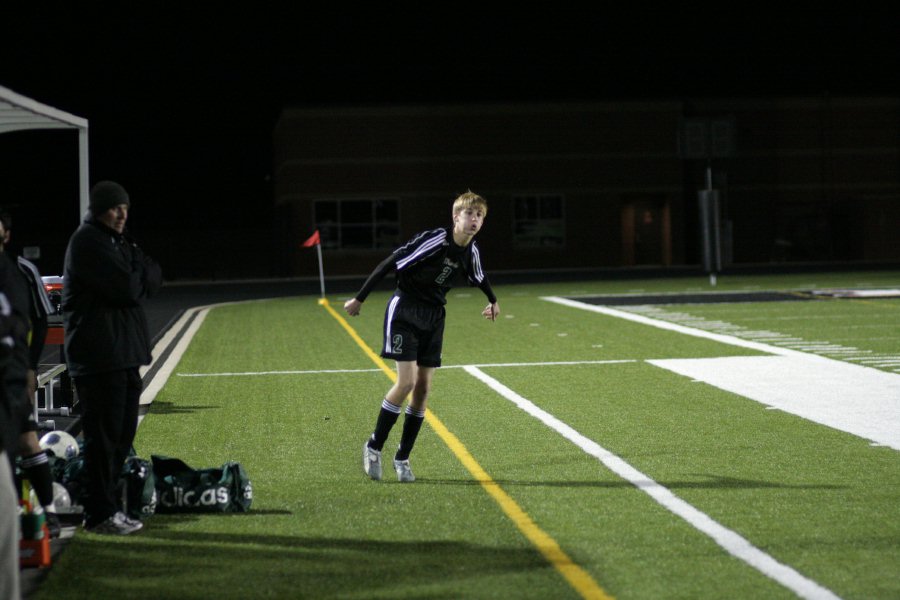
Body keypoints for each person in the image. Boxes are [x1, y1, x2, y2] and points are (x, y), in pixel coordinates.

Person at [344, 190, 500, 482]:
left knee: (423, 389)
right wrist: (359, 299)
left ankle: (402, 457)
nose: (474, 219)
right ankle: (374, 446)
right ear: (456, 217)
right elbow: (392, 262)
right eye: (469, 214)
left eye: (479, 215)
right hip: (405, 310)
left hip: (434, 317)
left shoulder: (472, 250)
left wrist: (492, 300)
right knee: (406, 382)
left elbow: (479, 276)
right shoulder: (436, 240)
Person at [62, 180, 162, 534]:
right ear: (98, 209)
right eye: (114, 207)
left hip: (122, 354)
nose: (122, 214)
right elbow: (128, 288)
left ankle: (108, 507)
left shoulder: (116, 241)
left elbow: (154, 273)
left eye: (125, 207)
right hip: (98, 356)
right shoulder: (87, 241)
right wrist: (138, 274)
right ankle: (98, 513)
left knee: (120, 436)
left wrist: (138, 273)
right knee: (103, 439)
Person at [0, 208, 61, 538]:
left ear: (6, 234)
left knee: (27, 440)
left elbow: (39, 321)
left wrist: (30, 367)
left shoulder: (22, 271)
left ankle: (49, 512)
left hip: (11, 377)